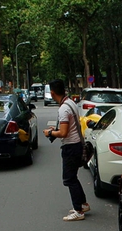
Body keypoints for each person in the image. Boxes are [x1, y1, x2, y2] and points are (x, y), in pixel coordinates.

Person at [43, 79, 89, 222]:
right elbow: (68, 128)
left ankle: (78, 211)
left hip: (70, 147)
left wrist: (50, 133)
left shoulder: (64, 108)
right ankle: (83, 204)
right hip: (76, 145)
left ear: (52, 93)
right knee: (73, 178)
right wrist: (55, 130)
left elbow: (63, 133)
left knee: (69, 179)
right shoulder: (71, 103)